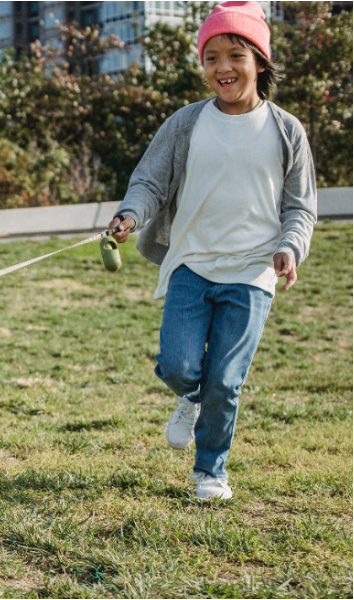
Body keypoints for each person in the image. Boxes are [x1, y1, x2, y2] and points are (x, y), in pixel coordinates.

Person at [107, 1, 317, 500]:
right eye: (210, 58)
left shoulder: (287, 131)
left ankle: (210, 472)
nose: (222, 68)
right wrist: (131, 214)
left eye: (235, 55)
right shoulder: (185, 123)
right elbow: (149, 181)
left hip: (251, 272)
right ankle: (191, 397)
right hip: (192, 265)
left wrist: (290, 247)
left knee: (226, 379)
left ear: (260, 62)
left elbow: (300, 207)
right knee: (180, 366)